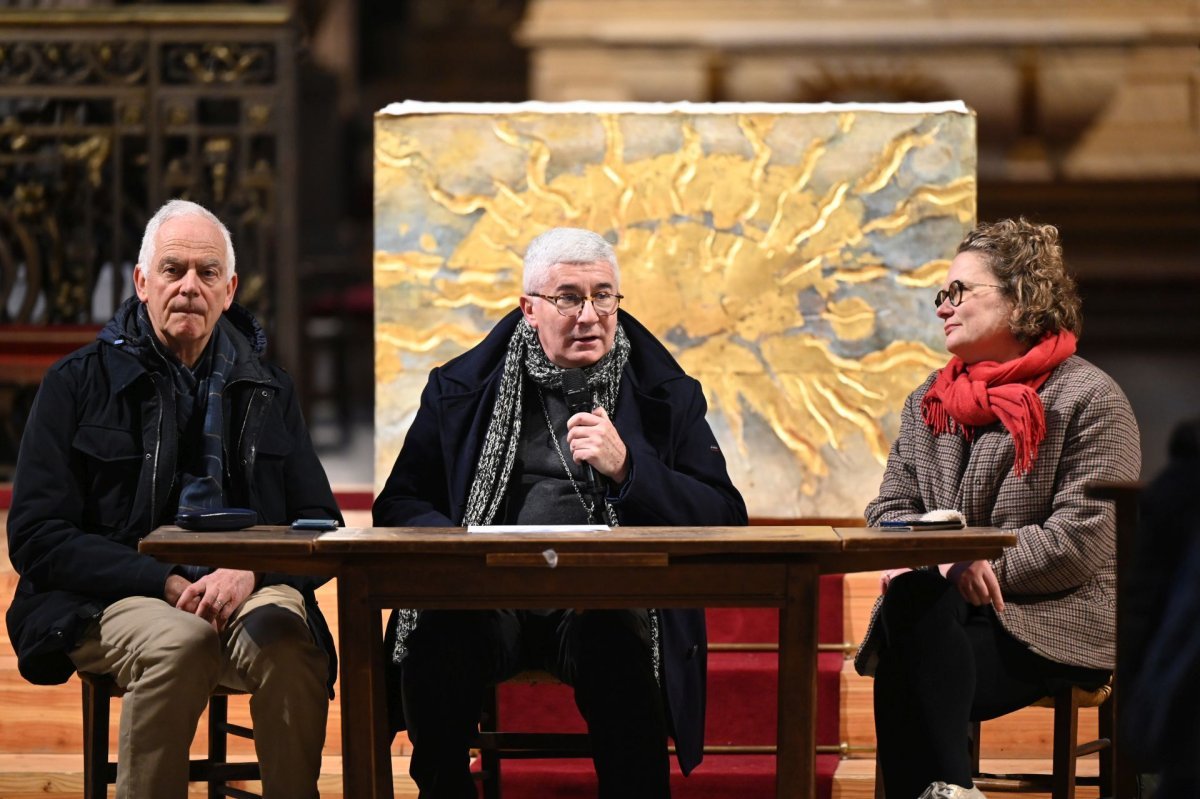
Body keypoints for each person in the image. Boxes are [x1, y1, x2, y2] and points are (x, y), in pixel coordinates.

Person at [374, 226, 748, 798]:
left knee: (619, 647)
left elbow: (723, 515)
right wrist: (458, 544)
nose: (589, 314)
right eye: (568, 297)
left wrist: (630, 470)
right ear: (529, 309)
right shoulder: (461, 388)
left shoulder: (666, 393)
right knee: (438, 643)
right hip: (488, 591)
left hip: (600, 594)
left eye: (604, 296)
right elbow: (399, 503)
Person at [6, 199, 341, 799]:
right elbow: (36, 536)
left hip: (242, 588)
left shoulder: (268, 389)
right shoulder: (77, 384)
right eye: (173, 269)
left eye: (207, 273)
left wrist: (251, 570)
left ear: (230, 288)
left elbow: (321, 523)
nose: (190, 286)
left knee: (291, 648)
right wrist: (157, 580)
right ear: (141, 282)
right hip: (109, 594)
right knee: (180, 641)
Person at [854, 218, 1141, 799]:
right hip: (943, 614)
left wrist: (969, 565)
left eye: (960, 291)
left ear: (1022, 296)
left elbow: (1081, 539)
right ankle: (953, 791)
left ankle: (944, 791)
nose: (943, 308)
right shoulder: (929, 400)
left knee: (908, 645)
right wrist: (946, 564)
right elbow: (887, 508)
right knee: (915, 609)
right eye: (942, 295)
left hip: (1052, 619)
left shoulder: (1089, 397)